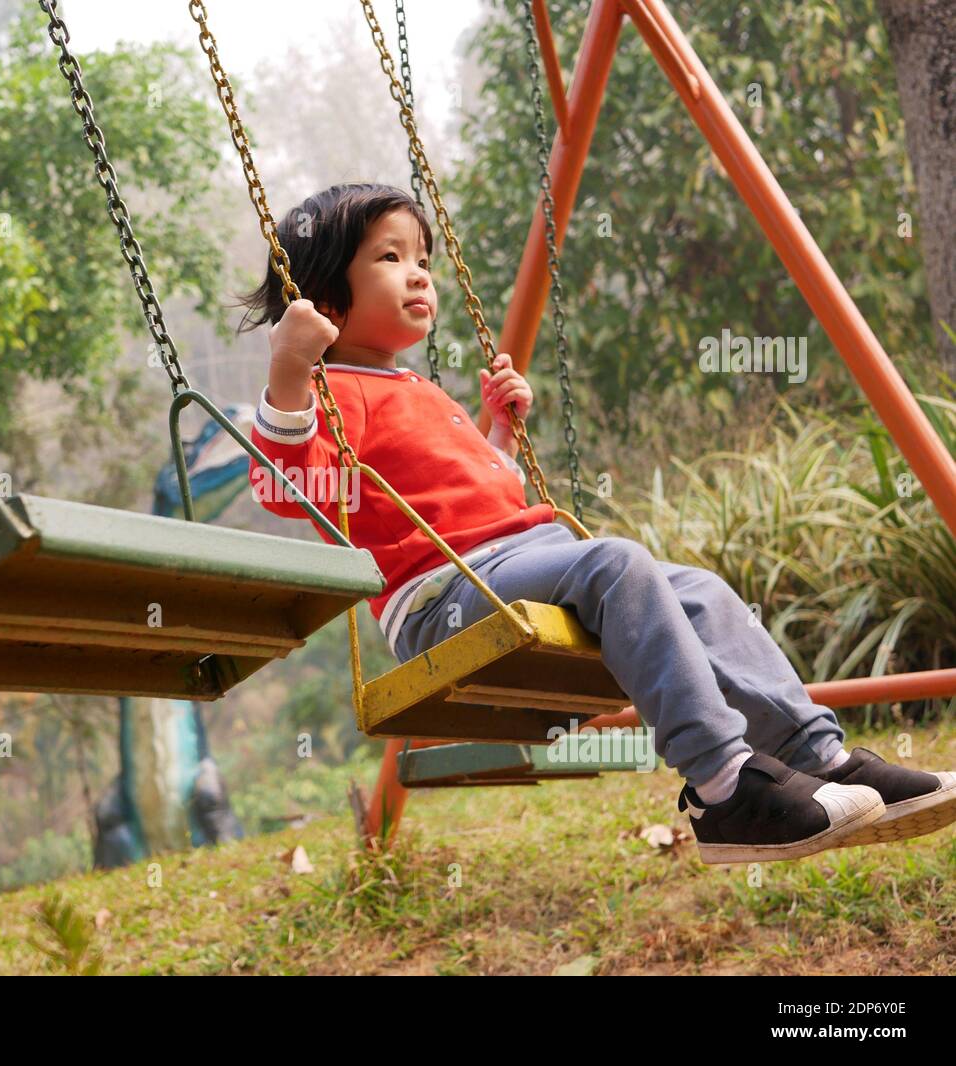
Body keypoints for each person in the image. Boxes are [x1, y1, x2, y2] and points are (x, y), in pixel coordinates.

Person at [242, 182, 955, 864]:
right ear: (327, 292)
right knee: (613, 562)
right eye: (391, 258)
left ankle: (819, 757)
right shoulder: (331, 391)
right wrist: (288, 368)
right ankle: (725, 786)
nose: (420, 275)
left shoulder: (421, 390)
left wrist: (499, 433)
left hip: (509, 563)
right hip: (444, 598)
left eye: (424, 260)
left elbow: (474, 502)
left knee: (700, 589)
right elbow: (287, 488)